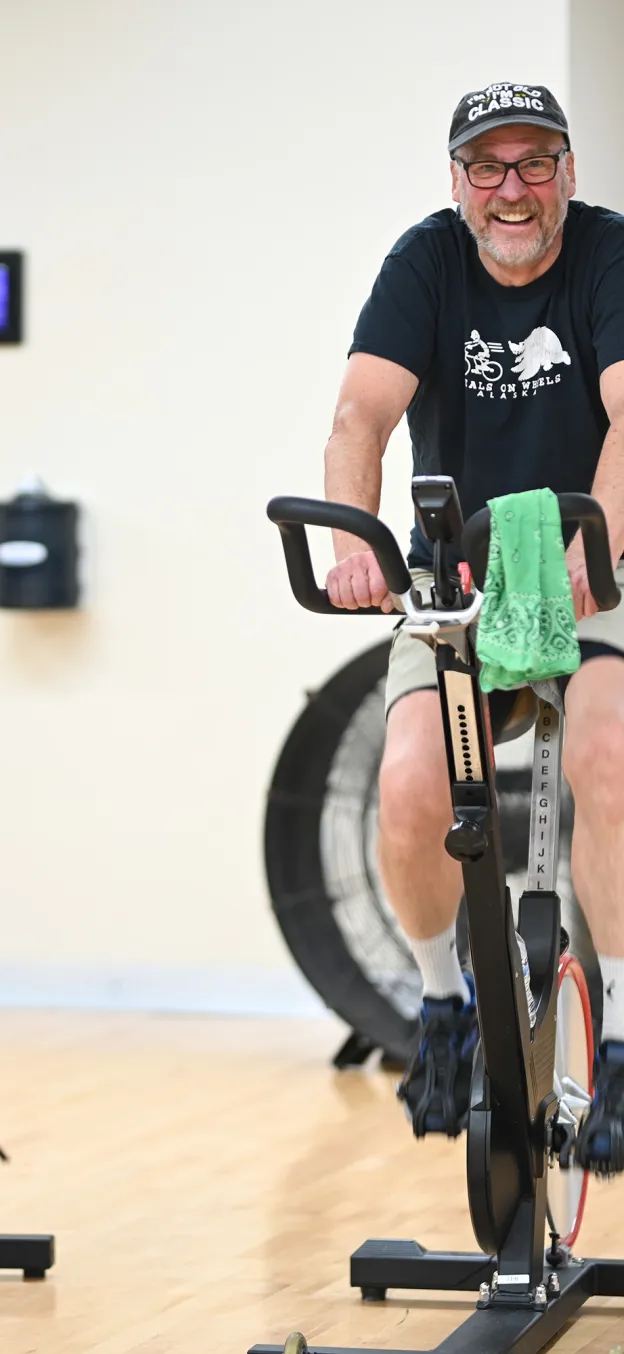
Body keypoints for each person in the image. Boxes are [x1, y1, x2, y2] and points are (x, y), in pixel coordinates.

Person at [323, 83, 624, 1169]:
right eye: (486, 168)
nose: (511, 189)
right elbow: (361, 411)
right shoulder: (425, 263)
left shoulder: (603, 254)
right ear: (457, 183)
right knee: (408, 786)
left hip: (595, 569)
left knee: (607, 754)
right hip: (458, 580)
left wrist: (590, 551)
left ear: (567, 173)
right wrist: (355, 539)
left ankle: (623, 1034)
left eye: (532, 163)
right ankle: (442, 999)